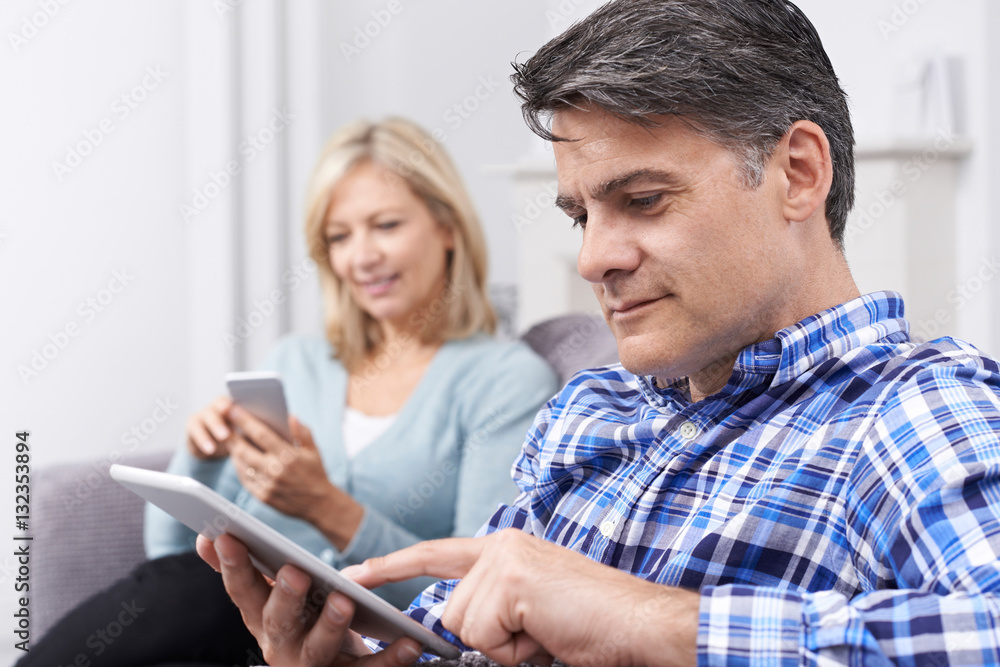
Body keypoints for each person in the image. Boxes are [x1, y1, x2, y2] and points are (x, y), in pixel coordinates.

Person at [201, 1, 1000, 665]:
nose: (594, 259)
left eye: (645, 200)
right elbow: (452, 635)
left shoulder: (911, 410)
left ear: (797, 173)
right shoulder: (589, 410)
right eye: (582, 215)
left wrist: (643, 618)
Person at [21, 118, 558, 667]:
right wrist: (201, 461)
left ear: (448, 227)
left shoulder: (504, 381)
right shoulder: (298, 363)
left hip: (340, 641)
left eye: (386, 225)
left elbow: (474, 593)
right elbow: (171, 558)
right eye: (339, 236)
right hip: (230, 621)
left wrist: (326, 507)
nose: (361, 256)